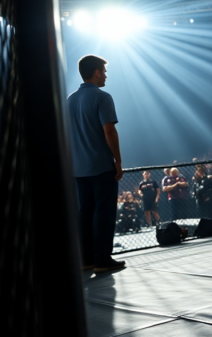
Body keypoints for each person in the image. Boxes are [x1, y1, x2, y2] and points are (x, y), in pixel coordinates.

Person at [67, 54, 125, 273]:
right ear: (97, 72)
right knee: (104, 211)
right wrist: (117, 161)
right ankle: (102, 258)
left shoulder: (69, 100)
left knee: (85, 211)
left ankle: (86, 259)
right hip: (100, 165)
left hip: (78, 168)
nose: (106, 76)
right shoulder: (103, 97)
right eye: (105, 71)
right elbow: (109, 131)